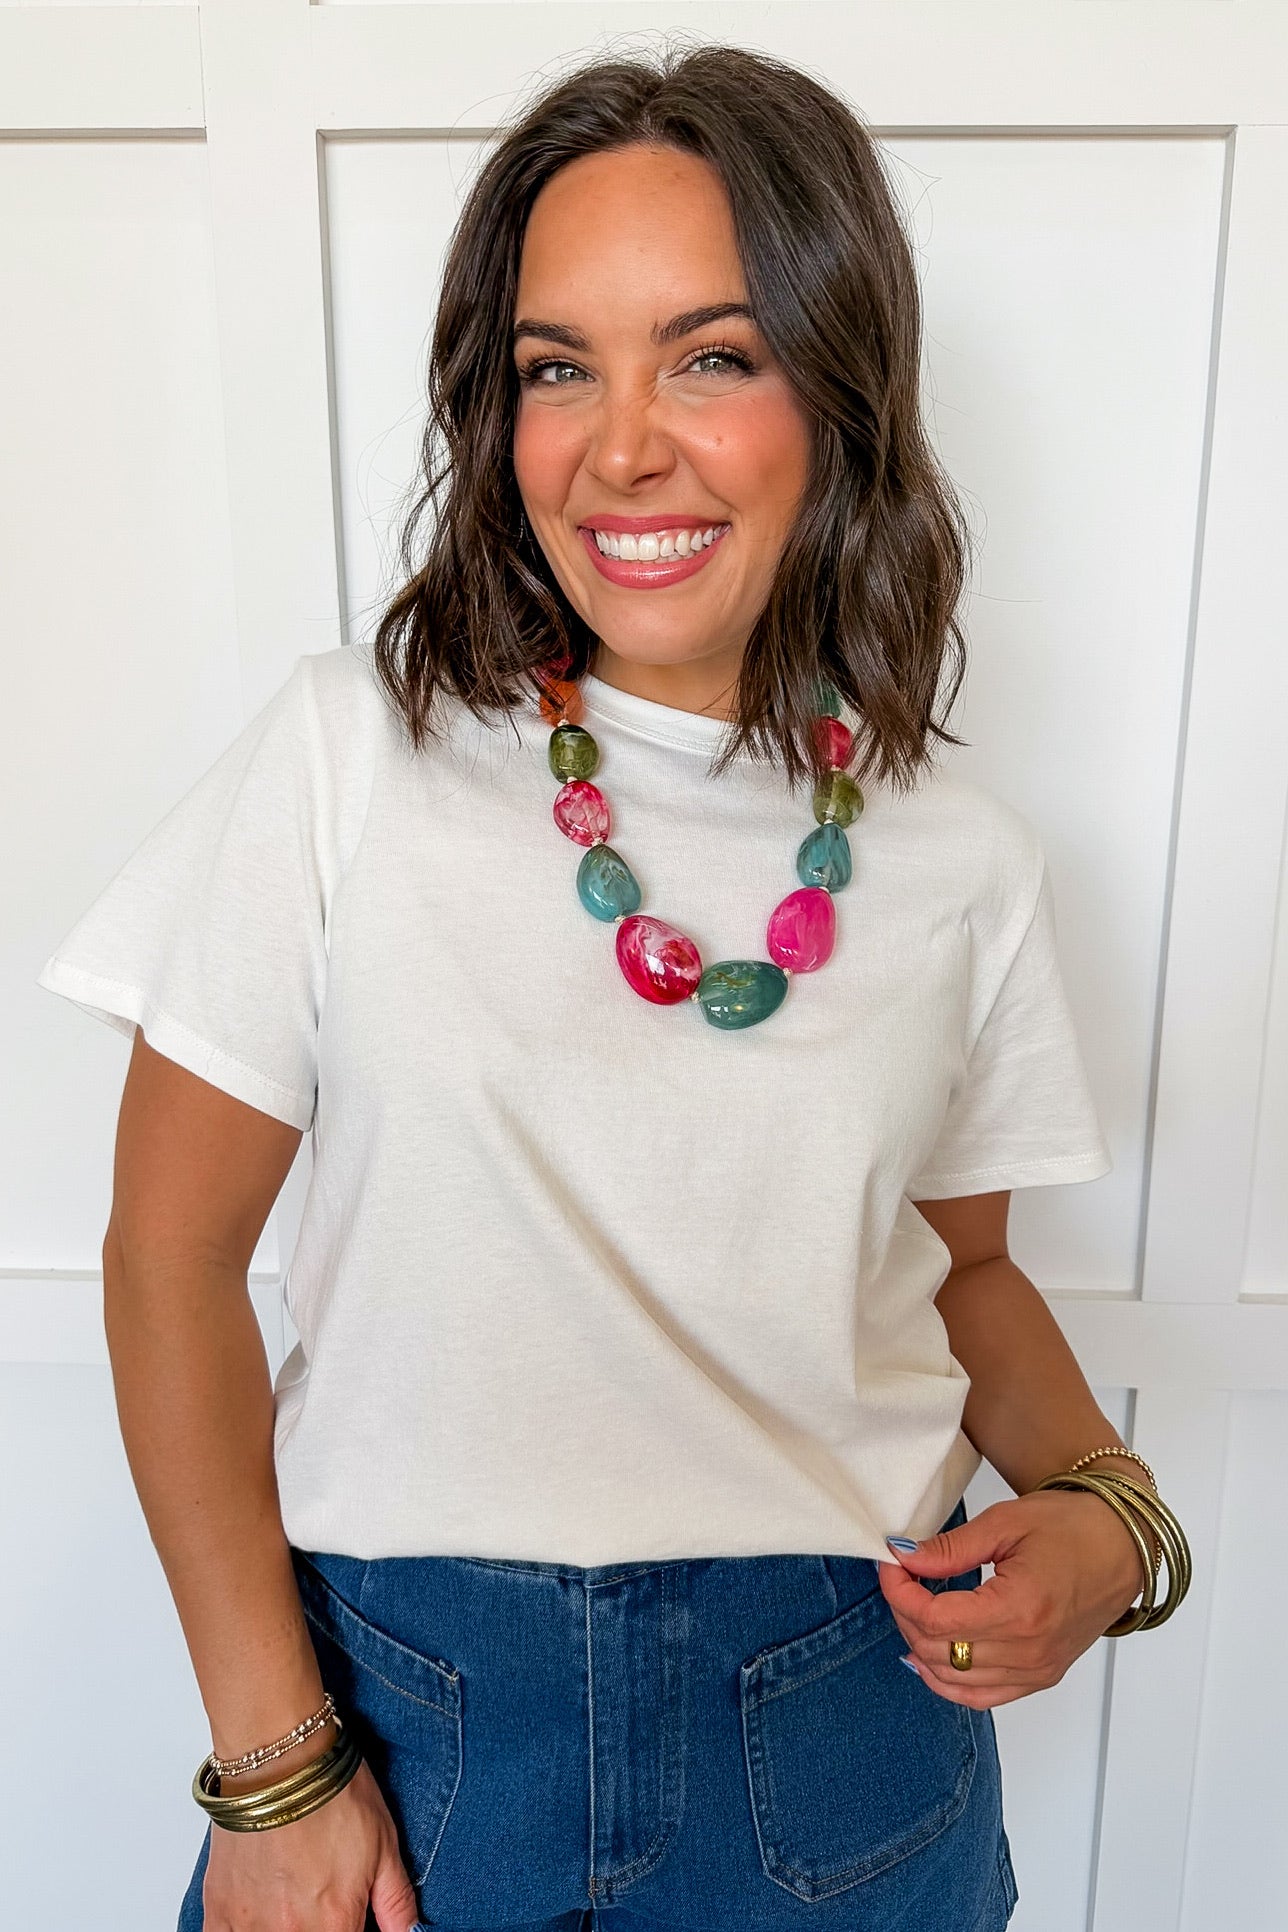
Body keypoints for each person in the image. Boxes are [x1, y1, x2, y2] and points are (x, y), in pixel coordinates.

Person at [36, 42, 1190, 1932]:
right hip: (400, 1727)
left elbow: (963, 1273)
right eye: (556, 367)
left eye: (712, 357)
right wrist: (274, 1763)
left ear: (841, 389)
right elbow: (169, 1260)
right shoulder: (348, 757)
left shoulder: (961, 858)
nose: (622, 447)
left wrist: (1110, 1520)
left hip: (846, 1726)